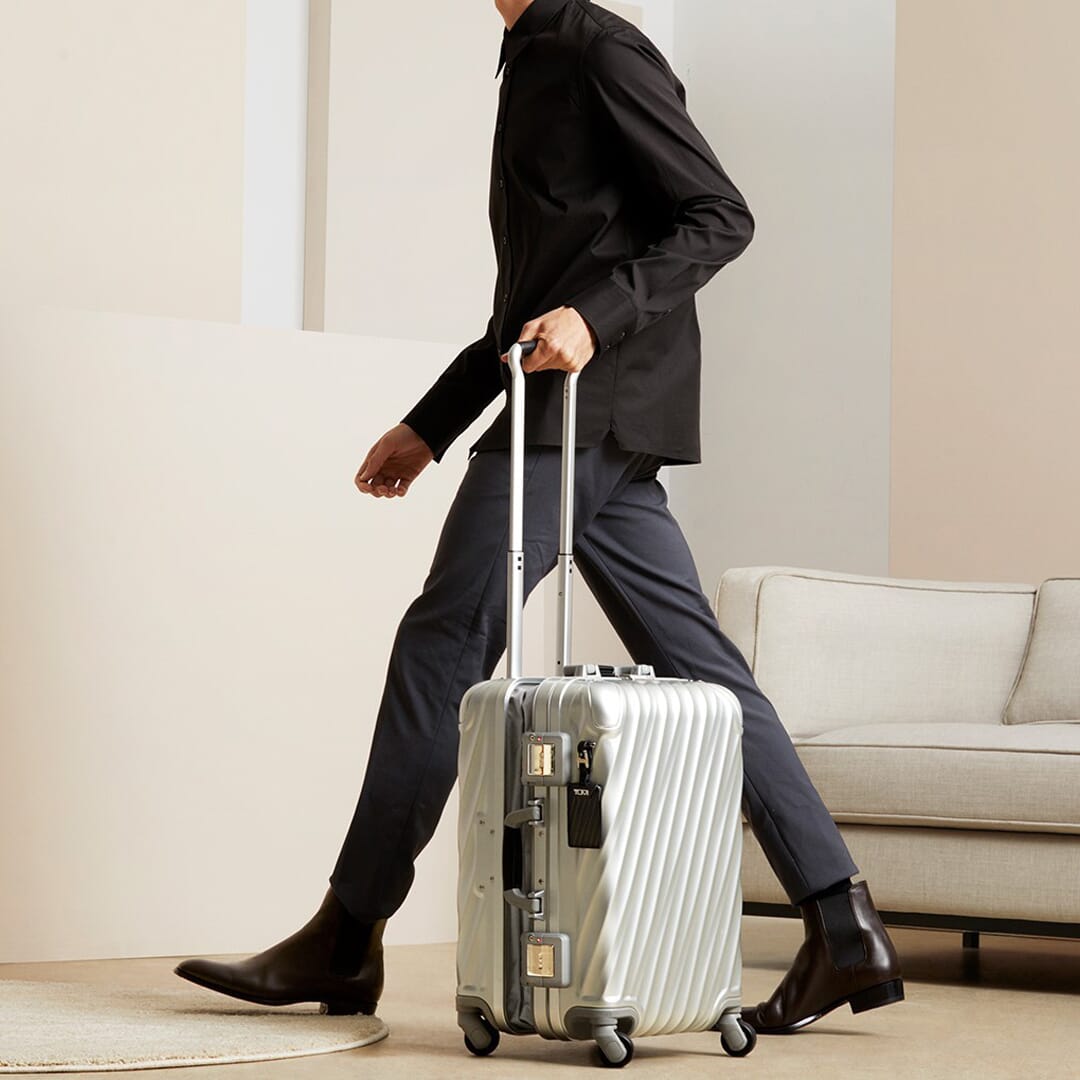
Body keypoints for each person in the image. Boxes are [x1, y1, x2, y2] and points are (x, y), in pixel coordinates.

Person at [175, 0, 903, 1036]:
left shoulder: (596, 47)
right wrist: (431, 426)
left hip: (586, 415)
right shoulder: (531, 59)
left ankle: (347, 938)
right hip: (580, 417)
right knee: (703, 670)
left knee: (443, 645)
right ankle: (845, 923)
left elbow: (718, 215)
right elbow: (528, 302)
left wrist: (596, 320)